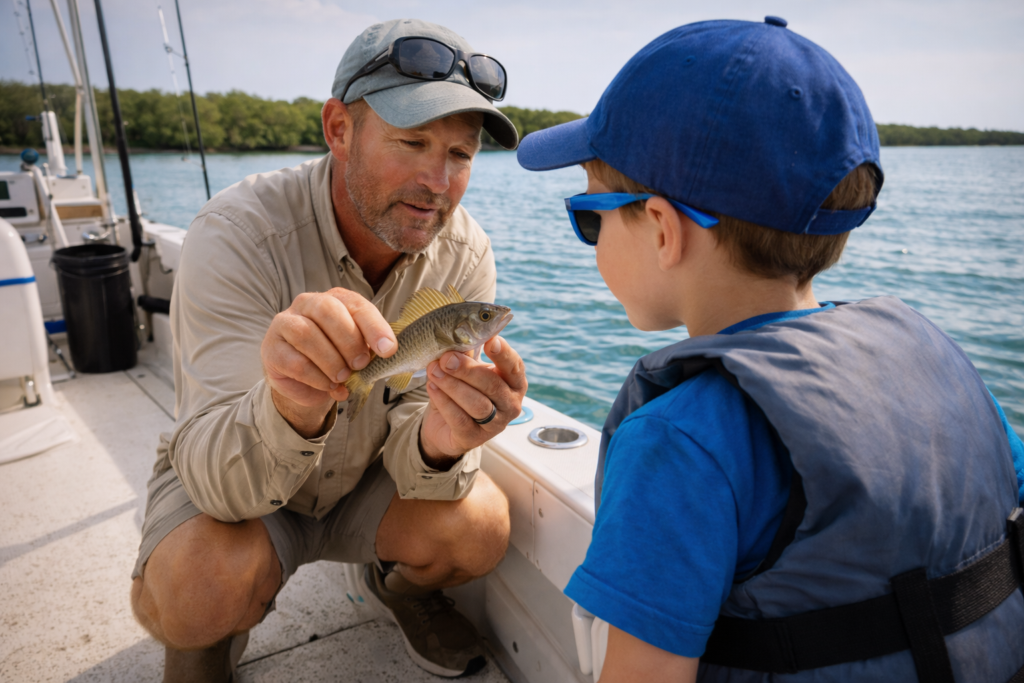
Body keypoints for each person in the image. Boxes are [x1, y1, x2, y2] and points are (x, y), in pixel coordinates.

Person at [517, 17, 1024, 683]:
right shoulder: (942, 361)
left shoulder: (677, 440)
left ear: (664, 230)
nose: (591, 237)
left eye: (591, 217)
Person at [130, 19, 528, 682]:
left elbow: (421, 430)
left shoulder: (466, 252)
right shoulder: (235, 233)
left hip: (368, 479)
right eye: (413, 142)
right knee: (199, 586)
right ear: (339, 129)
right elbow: (210, 472)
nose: (439, 181)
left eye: (461, 155)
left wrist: (441, 440)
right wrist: (289, 404)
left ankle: (398, 588)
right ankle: (206, 641)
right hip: (247, 489)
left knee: (481, 525)